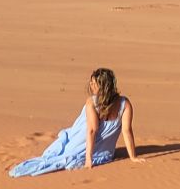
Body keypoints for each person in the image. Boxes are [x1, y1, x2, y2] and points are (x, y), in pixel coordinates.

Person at [9, 68, 145, 177]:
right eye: (91, 82)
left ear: (104, 86)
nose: (91, 86)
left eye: (94, 83)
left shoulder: (92, 102)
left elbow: (92, 130)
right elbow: (126, 131)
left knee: (63, 152)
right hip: (105, 153)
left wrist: (88, 160)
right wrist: (132, 157)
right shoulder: (124, 103)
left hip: (81, 144)